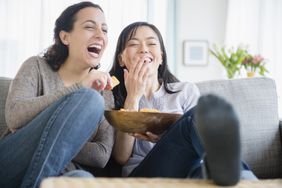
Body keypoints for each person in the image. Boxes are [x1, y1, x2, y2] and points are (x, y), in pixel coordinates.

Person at [109, 22, 257, 186]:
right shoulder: (112, 95)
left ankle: (242, 179)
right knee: (197, 116)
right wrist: (133, 97)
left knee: (200, 122)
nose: (144, 49)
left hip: (187, 171)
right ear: (121, 59)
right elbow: (121, 157)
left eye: (151, 43)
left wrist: (166, 135)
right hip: (142, 175)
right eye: (134, 44)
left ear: (161, 57)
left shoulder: (185, 91)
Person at [0, 2, 114, 188]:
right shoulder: (35, 67)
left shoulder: (105, 92)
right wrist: (79, 88)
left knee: (83, 181)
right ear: (65, 36)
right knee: (90, 99)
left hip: (64, 172)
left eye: (105, 30)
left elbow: (101, 155)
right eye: (89, 27)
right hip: (12, 162)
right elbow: (15, 117)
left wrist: (55, 134)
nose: (100, 35)